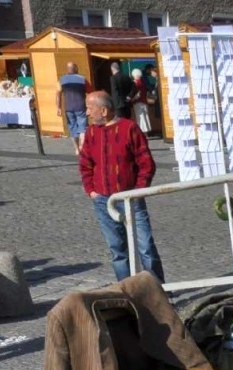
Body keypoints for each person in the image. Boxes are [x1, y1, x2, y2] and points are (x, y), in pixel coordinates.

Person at [78, 91, 164, 282]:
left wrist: (139, 190)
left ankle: (158, 290)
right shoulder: (92, 132)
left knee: (145, 246)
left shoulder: (129, 128)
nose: (87, 112)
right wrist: (91, 190)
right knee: (117, 249)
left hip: (130, 198)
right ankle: (126, 291)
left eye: (90, 108)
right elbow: (85, 163)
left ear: (104, 110)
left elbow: (146, 163)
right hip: (103, 200)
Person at [59, 62, 89, 150]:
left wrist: (59, 108)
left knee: (72, 129)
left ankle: (76, 148)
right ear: (75, 68)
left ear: (67, 69)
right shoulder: (82, 79)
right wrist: (89, 107)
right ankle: (82, 147)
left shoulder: (61, 80)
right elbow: (91, 92)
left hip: (68, 108)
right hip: (81, 107)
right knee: (83, 129)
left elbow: (58, 94)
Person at [129, 68, 153, 137]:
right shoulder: (143, 82)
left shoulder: (135, 83)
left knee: (140, 118)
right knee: (145, 117)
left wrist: (131, 99)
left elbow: (135, 94)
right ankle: (146, 133)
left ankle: (142, 133)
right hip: (144, 101)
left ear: (134, 75)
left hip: (138, 102)